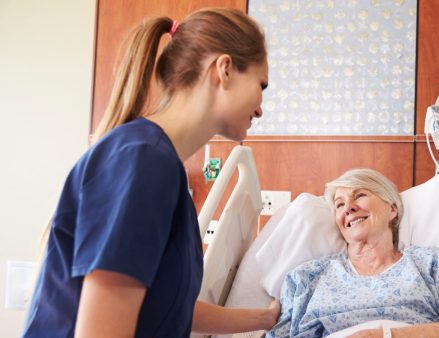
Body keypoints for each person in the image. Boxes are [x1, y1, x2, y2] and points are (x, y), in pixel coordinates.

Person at [22, 8, 279, 338]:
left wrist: (264, 319)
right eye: (262, 85)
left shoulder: (158, 164)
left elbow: (164, 305)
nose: (260, 107)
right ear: (225, 69)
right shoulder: (143, 162)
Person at [267, 169, 439, 338]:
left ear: (391, 209)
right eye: (339, 204)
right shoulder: (306, 278)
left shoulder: (436, 264)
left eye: (359, 195)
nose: (348, 207)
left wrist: (385, 335)